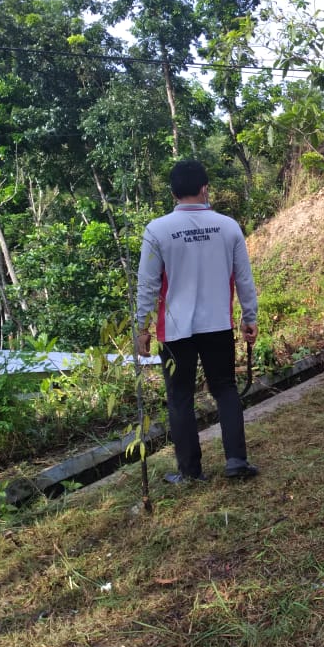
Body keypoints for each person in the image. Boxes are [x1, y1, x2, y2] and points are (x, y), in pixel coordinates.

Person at [135, 159, 260, 484]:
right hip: (218, 324)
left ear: (173, 192)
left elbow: (147, 284)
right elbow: (244, 279)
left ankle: (190, 472)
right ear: (205, 188)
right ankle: (236, 461)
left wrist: (142, 327)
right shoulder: (228, 226)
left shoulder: (157, 230)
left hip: (175, 330)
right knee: (225, 389)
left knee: (180, 397)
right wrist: (250, 317)